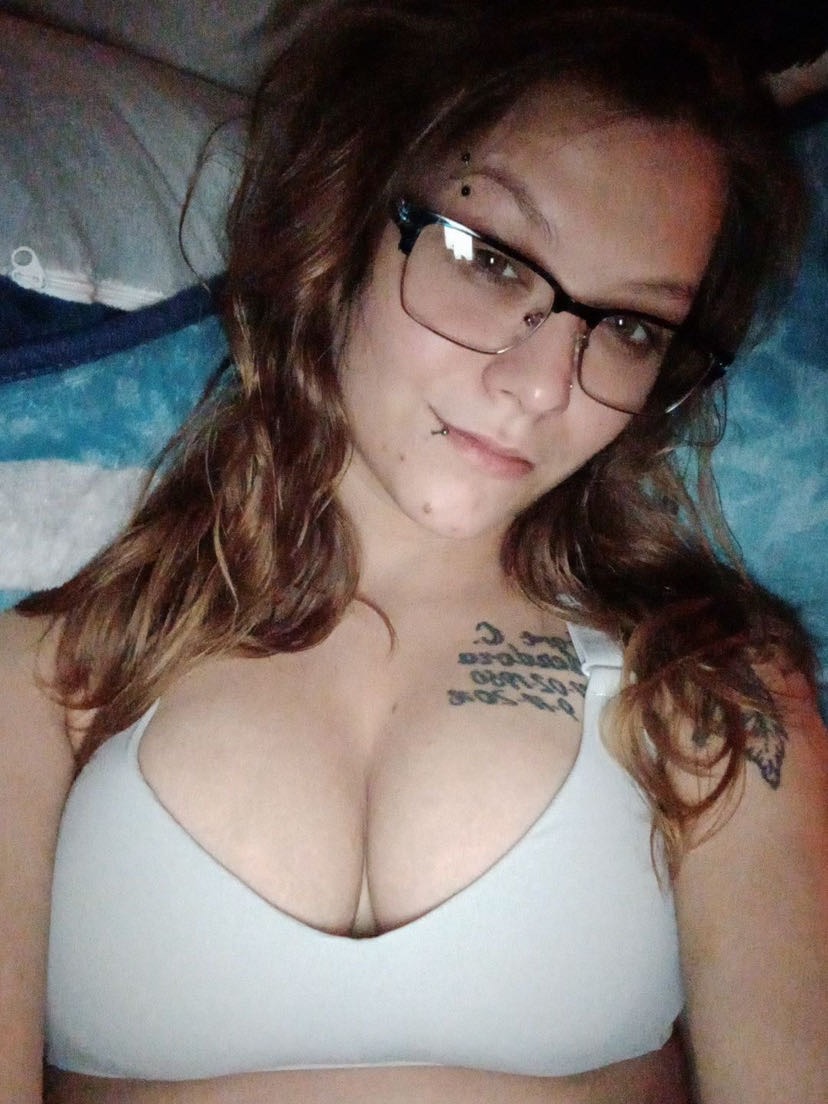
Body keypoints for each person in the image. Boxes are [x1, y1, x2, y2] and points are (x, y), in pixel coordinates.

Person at [1, 2, 826, 1102]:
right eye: (489, 259)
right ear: (346, 215)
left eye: (631, 328)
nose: (542, 386)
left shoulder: (716, 694)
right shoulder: (51, 676)